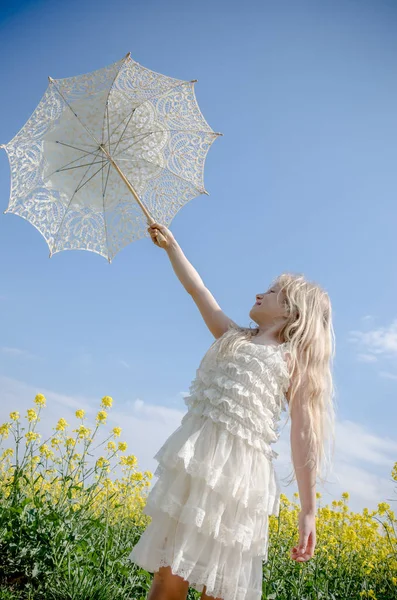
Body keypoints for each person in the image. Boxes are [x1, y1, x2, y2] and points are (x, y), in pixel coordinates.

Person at [129, 222, 336, 600]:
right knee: (167, 579)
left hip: (240, 482)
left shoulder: (292, 362)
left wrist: (309, 510)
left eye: (272, 292)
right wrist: (172, 246)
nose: (259, 292)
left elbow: (302, 433)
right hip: (197, 469)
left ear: (292, 312)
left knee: (220, 589)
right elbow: (198, 290)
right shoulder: (231, 336)